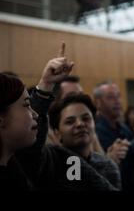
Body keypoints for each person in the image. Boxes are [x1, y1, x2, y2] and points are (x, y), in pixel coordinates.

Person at [1, 43, 118, 190]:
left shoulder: (106, 164)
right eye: (26, 105)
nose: (80, 124)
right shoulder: (50, 160)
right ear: (56, 131)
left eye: (86, 118)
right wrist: (46, 84)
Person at [48, 93, 121, 189]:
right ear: (57, 133)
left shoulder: (107, 166)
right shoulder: (51, 165)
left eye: (86, 119)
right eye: (70, 121)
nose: (80, 124)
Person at [94, 81, 134, 190]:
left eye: (118, 96)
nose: (117, 101)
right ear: (98, 103)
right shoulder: (97, 131)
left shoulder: (124, 127)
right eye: (110, 97)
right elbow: (121, 160)